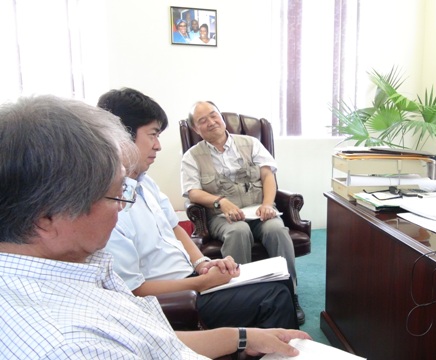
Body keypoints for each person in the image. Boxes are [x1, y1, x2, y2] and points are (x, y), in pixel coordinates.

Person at [0, 95, 310, 359]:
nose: (123, 204)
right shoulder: (72, 346)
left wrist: (242, 337)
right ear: (47, 217)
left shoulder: (84, 263)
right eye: (116, 193)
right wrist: (200, 285)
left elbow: (154, 338)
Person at [97, 88, 298, 330]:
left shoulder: (145, 183)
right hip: (177, 297)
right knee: (272, 294)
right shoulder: (110, 206)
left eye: (214, 115)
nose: (158, 146)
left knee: (279, 279)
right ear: (122, 138)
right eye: (152, 135)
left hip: (192, 275)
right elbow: (133, 290)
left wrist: (203, 263)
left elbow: (174, 228)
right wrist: (202, 283)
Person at [181, 101, 305, 324]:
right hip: (221, 216)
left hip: (259, 210)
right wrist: (220, 202)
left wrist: (268, 203)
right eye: (202, 121)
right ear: (196, 129)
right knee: (238, 232)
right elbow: (192, 192)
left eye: (213, 115)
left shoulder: (251, 143)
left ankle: (290, 294)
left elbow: (268, 176)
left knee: (277, 229)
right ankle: (243, 296)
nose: (210, 122)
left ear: (221, 116)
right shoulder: (191, 156)